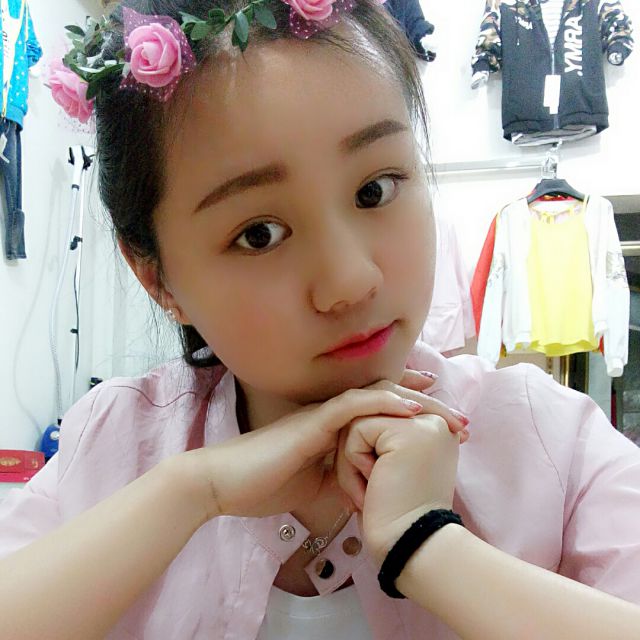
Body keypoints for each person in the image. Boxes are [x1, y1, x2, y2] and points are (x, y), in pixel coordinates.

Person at [2, 0, 640, 638]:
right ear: (156, 276)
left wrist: (426, 544)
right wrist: (195, 490)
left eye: (374, 190)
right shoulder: (111, 447)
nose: (351, 280)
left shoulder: (552, 442)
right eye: (259, 233)